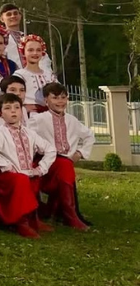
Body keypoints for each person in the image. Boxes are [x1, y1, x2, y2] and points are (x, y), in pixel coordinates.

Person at [0, 93, 56, 238]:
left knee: (32, 179)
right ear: (0, 114)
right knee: (21, 180)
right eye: (8, 108)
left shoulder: (29, 133)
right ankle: (21, 222)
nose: (13, 111)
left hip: (27, 173)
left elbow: (50, 149)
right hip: (9, 177)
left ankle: (33, 219)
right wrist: (6, 165)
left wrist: (41, 168)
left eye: (17, 108)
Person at [28, 82, 93, 231]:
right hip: (46, 163)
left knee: (65, 165)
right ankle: (70, 215)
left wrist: (80, 153)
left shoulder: (72, 120)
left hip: (65, 163)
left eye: (63, 97)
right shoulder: (39, 119)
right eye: (55, 98)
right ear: (46, 100)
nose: (60, 101)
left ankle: (62, 213)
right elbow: (28, 139)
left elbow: (89, 136)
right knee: (64, 165)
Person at [14, 35, 56, 114]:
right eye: (30, 50)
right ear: (23, 52)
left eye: (38, 50)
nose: (35, 53)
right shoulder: (19, 75)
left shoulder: (49, 75)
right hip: (29, 115)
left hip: (49, 115)